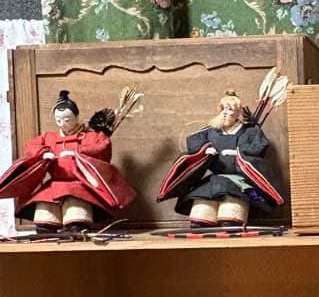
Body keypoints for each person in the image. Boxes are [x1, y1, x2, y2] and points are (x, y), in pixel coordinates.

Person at [0, 89, 136, 229]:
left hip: (79, 184)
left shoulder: (90, 137)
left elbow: (103, 146)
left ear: (76, 117)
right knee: (44, 208)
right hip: (54, 183)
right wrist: (43, 154)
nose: (62, 123)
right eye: (58, 120)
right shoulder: (49, 137)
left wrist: (78, 152)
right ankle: (47, 226)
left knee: (76, 210)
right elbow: (31, 145)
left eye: (66, 119)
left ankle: (76, 225)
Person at [157, 91, 282, 226]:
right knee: (202, 209)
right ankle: (204, 219)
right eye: (223, 108)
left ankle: (232, 218)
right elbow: (194, 141)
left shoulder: (250, 131)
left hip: (239, 181)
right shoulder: (211, 130)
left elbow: (259, 146)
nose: (225, 112)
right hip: (215, 178)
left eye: (230, 109)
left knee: (231, 210)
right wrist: (204, 150)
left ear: (239, 112)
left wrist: (239, 153)